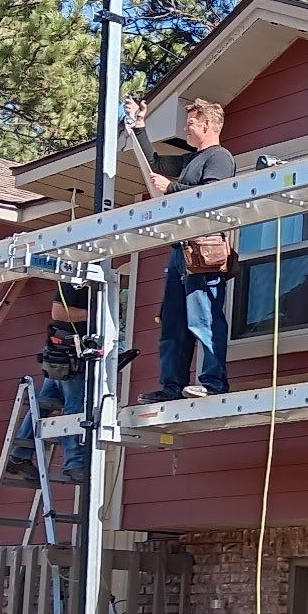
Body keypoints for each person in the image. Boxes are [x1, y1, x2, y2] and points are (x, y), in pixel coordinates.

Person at [131, 96, 238, 402]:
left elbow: (210, 194)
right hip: (183, 249)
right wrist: (139, 127)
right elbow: (154, 163)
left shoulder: (220, 158)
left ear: (208, 125)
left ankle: (213, 382)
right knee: (174, 322)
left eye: (191, 123)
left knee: (204, 316)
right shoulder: (192, 160)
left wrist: (171, 188)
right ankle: (172, 387)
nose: (186, 128)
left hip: (205, 247)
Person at [5, 282, 90, 485]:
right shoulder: (76, 282)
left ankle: (19, 455)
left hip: (64, 355)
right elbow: (58, 312)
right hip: (70, 355)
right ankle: (74, 463)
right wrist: (95, 313)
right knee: (75, 409)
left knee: (45, 403)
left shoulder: (92, 282)